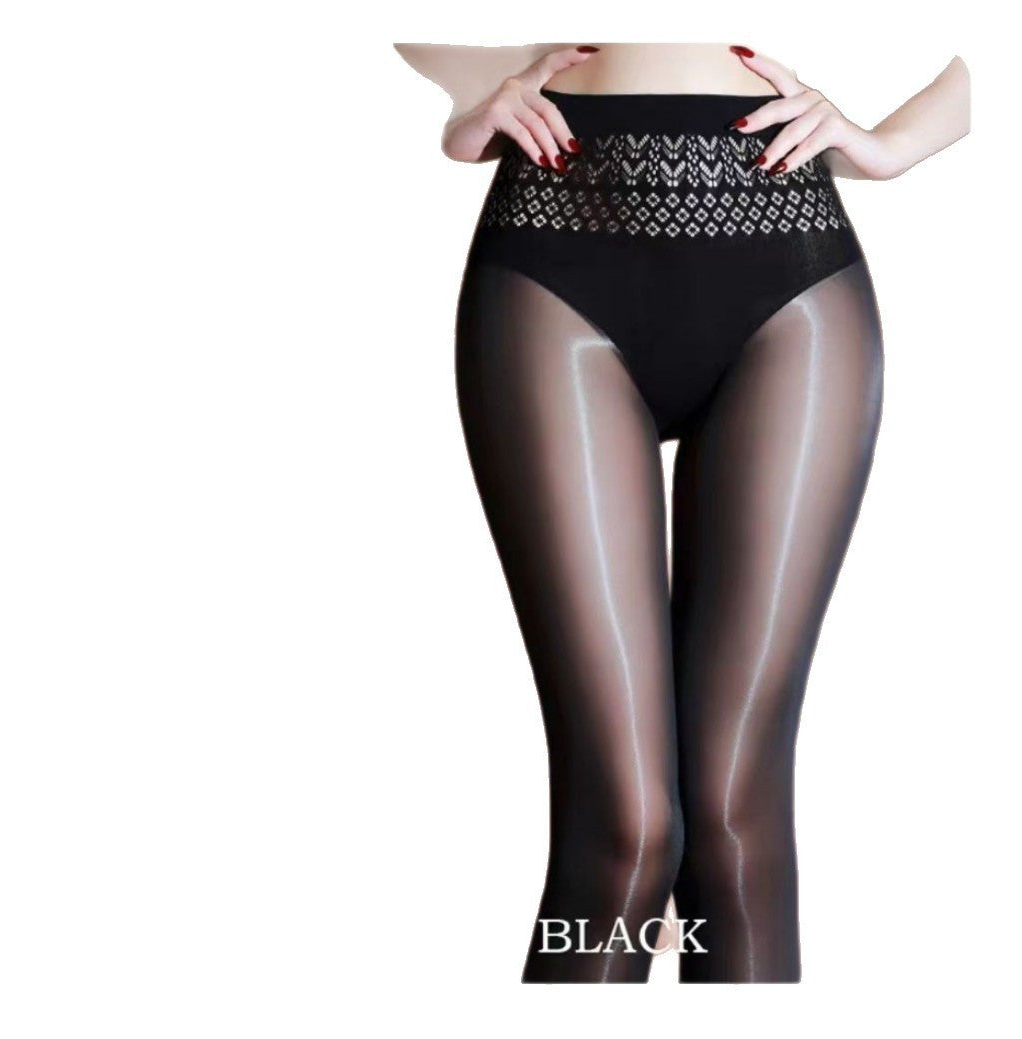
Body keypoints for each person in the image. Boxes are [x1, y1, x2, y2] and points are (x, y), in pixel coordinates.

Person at [395, 41, 970, 983]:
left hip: (790, 277)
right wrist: (475, 96)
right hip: (555, 249)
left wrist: (893, 146)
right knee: (624, 828)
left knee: (733, 821)